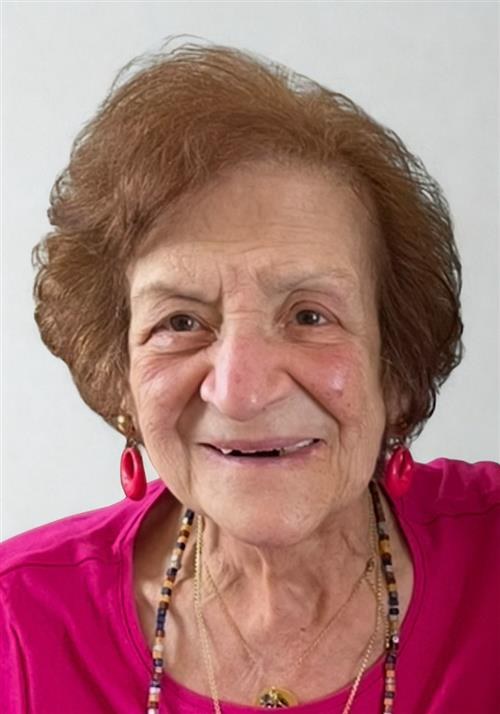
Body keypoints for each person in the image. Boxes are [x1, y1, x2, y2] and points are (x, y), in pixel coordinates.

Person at [1, 39, 499, 714]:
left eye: (309, 315)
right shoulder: (18, 625)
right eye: (180, 322)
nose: (241, 391)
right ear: (121, 373)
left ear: (396, 361)